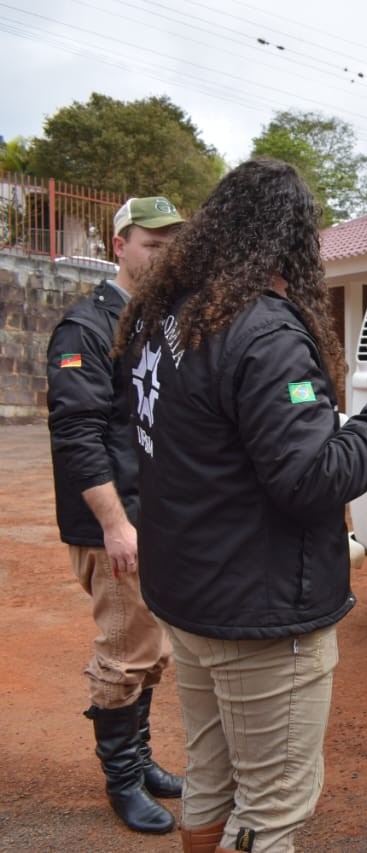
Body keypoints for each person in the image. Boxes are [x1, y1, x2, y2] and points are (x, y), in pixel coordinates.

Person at [116, 159, 367, 853]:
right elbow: (311, 477)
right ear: (290, 241)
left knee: (211, 777)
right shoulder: (261, 330)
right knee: (270, 808)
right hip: (256, 611)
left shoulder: (171, 312)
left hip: (191, 593)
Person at [46, 196, 186, 834]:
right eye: (151, 244)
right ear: (119, 245)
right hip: (115, 525)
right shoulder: (87, 326)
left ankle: (144, 760)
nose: (163, 255)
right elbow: (77, 434)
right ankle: (123, 780)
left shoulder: (155, 322)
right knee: (124, 652)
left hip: (151, 515)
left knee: (150, 648)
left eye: (170, 245)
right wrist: (113, 523)